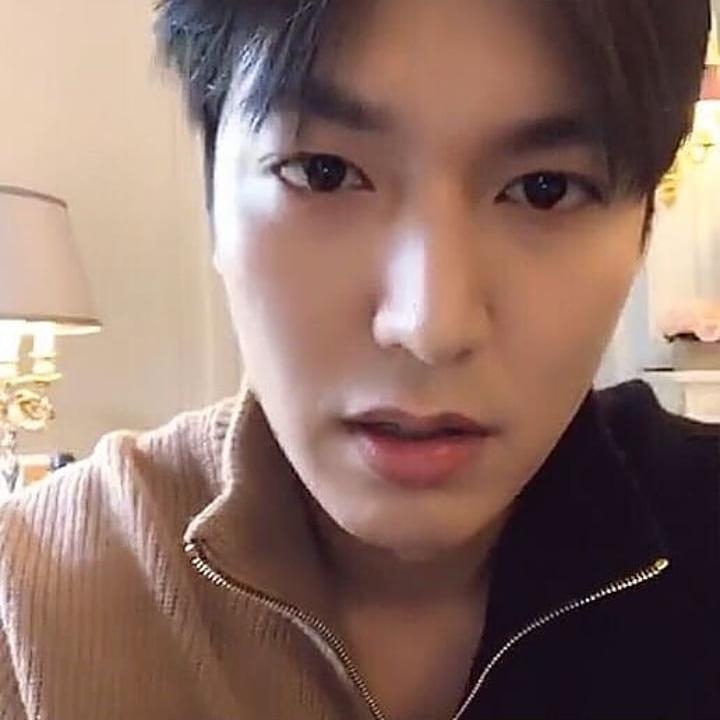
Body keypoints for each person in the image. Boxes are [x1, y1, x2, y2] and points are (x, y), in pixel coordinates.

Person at [0, 0, 717, 718]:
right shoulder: (34, 611)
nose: (430, 327)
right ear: (212, 193)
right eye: (324, 172)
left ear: (643, 227)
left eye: (545, 189)